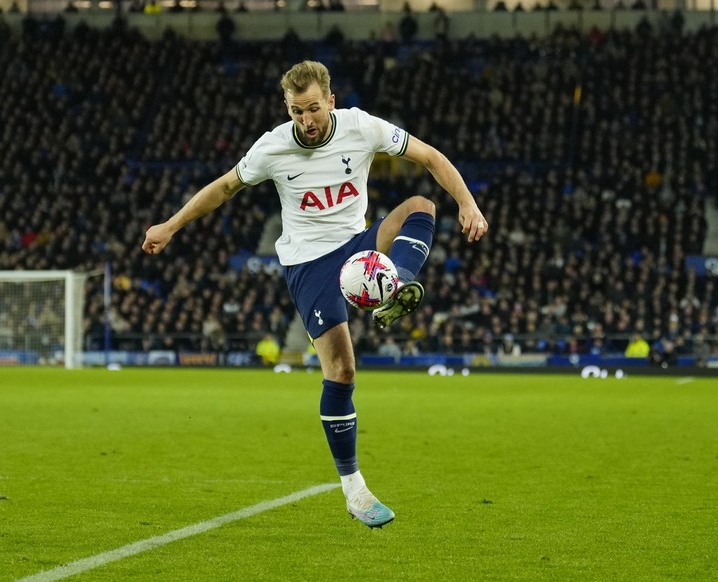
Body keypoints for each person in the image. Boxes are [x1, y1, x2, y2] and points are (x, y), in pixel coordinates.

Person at [142, 60, 488, 529]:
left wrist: (467, 202)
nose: (305, 121)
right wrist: (170, 226)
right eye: (295, 111)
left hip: (357, 245)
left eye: (312, 109)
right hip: (309, 264)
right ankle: (355, 491)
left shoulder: (361, 126)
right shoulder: (273, 147)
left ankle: (396, 284)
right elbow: (223, 188)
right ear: (287, 108)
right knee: (342, 370)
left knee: (421, 207)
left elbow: (429, 157)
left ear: (331, 100)